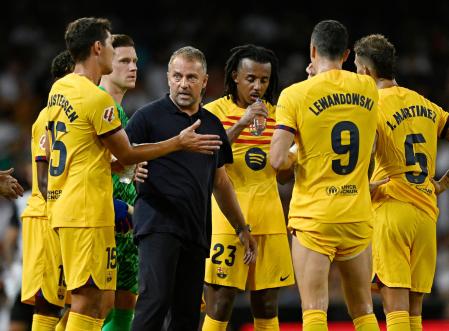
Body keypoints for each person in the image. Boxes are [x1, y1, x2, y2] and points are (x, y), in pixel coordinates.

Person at [46, 18, 223, 331]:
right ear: (98, 48)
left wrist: (117, 165)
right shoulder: (99, 100)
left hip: (64, 204)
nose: (120, 58)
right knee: (92, 301)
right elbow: (127, 153)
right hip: (89, 210)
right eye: (116, 50)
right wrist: (177, 143)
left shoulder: (59, 89)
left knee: (97, 300)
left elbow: (89, 154)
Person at [125, 46, 258, 331]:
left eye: (191, 77)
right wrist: (132, 168)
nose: (183, 84)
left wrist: (241, 227)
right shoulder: (146, 117)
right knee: (154, 302)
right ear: (167, 78)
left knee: (186, 314)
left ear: (205, 82)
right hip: (157, 223)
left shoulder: (212, 125)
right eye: (177, 76)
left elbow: (220, 182)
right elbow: (117, 159)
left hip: (196, 229)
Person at [270, 20, 380, 331]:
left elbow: (277, 160)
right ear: (346, 54)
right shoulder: (368, 88)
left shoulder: (295, 95)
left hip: (314, 218)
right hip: (357, 214)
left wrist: (295, 155)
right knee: (363, 310)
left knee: (315, 310)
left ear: (312, 50)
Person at [354, 34, 449, 331]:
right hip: (425, 214)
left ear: (366, 71)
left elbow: (363, 153)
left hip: (391, 208)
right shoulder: (426, 104)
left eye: (357, 68)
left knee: (394, 308)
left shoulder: (370, 106)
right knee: (415, 312)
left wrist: (363, 188)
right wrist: (443, 182)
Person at [202, 44, 294, 331]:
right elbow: (207, 156)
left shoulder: (280, 116)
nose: (258, 86)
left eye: (264, 80)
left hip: (269, 217)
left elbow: (281, 177)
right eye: (251, 78)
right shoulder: (214, 112)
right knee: (221, 301)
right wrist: (242, 123)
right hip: (226, 218)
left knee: (267, 304)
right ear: (235, 77)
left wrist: (292, 158)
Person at [20, 50, 74, 331]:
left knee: (71, 301)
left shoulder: (72, 116)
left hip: (61, 214)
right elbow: (45, 177)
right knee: (48, 302)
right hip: (45, 215)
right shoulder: (48, 116)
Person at [99, 34, 141, 331]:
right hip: (101, 221)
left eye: (135, 61)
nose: (133, 67)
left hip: (124, 222)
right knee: (91, 308)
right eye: (124, 60)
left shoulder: (122, 113)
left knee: (126, 302)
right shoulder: (97, 107)